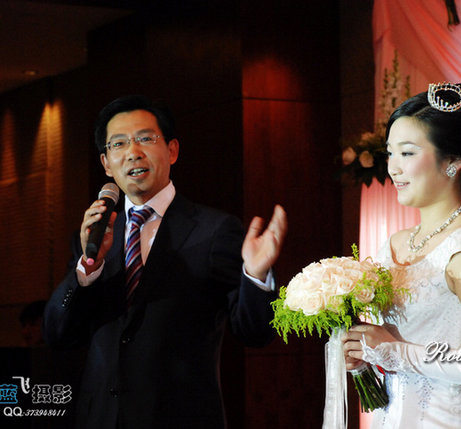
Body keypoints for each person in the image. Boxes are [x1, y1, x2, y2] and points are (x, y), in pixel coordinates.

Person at [43, 95, 287, 429]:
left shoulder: (215, 230)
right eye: (119, 144)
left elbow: (255, 332)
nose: (133, 152)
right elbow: (57, 334)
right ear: (106, 163)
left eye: (145, 138)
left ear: (172, 150)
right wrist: (87, 269)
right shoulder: (93, 236)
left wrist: (256, 276)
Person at [342, 81, 461, 428]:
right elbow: (399, 341)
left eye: (408, 153)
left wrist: (397, 353)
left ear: (453, 162)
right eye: (391, 153)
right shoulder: (394, 244)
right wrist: (368, 352)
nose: (393, 167)